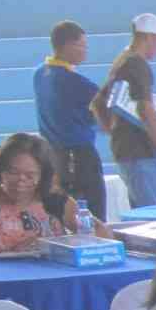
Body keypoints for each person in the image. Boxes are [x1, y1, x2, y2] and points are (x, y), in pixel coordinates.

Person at [0, 131, 101, 258]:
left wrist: (73, 242)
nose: (21, 181)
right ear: (0, 171)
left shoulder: (56, 202)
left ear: (43, 176)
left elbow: (101, 234)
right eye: (13, 172)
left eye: (30, 175)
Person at [90, 12, 156, 208]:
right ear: (149, 37)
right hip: (139, 154)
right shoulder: (138, 65)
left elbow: (97, 103)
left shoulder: (122, 60)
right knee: (155, 213)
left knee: (142, 211)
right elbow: (146, 111)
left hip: (126, 151)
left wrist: (114, 131)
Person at [35, 19, 108, 220]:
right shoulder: (75, 82)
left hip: (52, 155)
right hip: (78, 156)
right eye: (82, 46)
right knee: (92, 213)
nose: (85, 51)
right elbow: (105, 113)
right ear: (68, 45)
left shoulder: (39, 74)